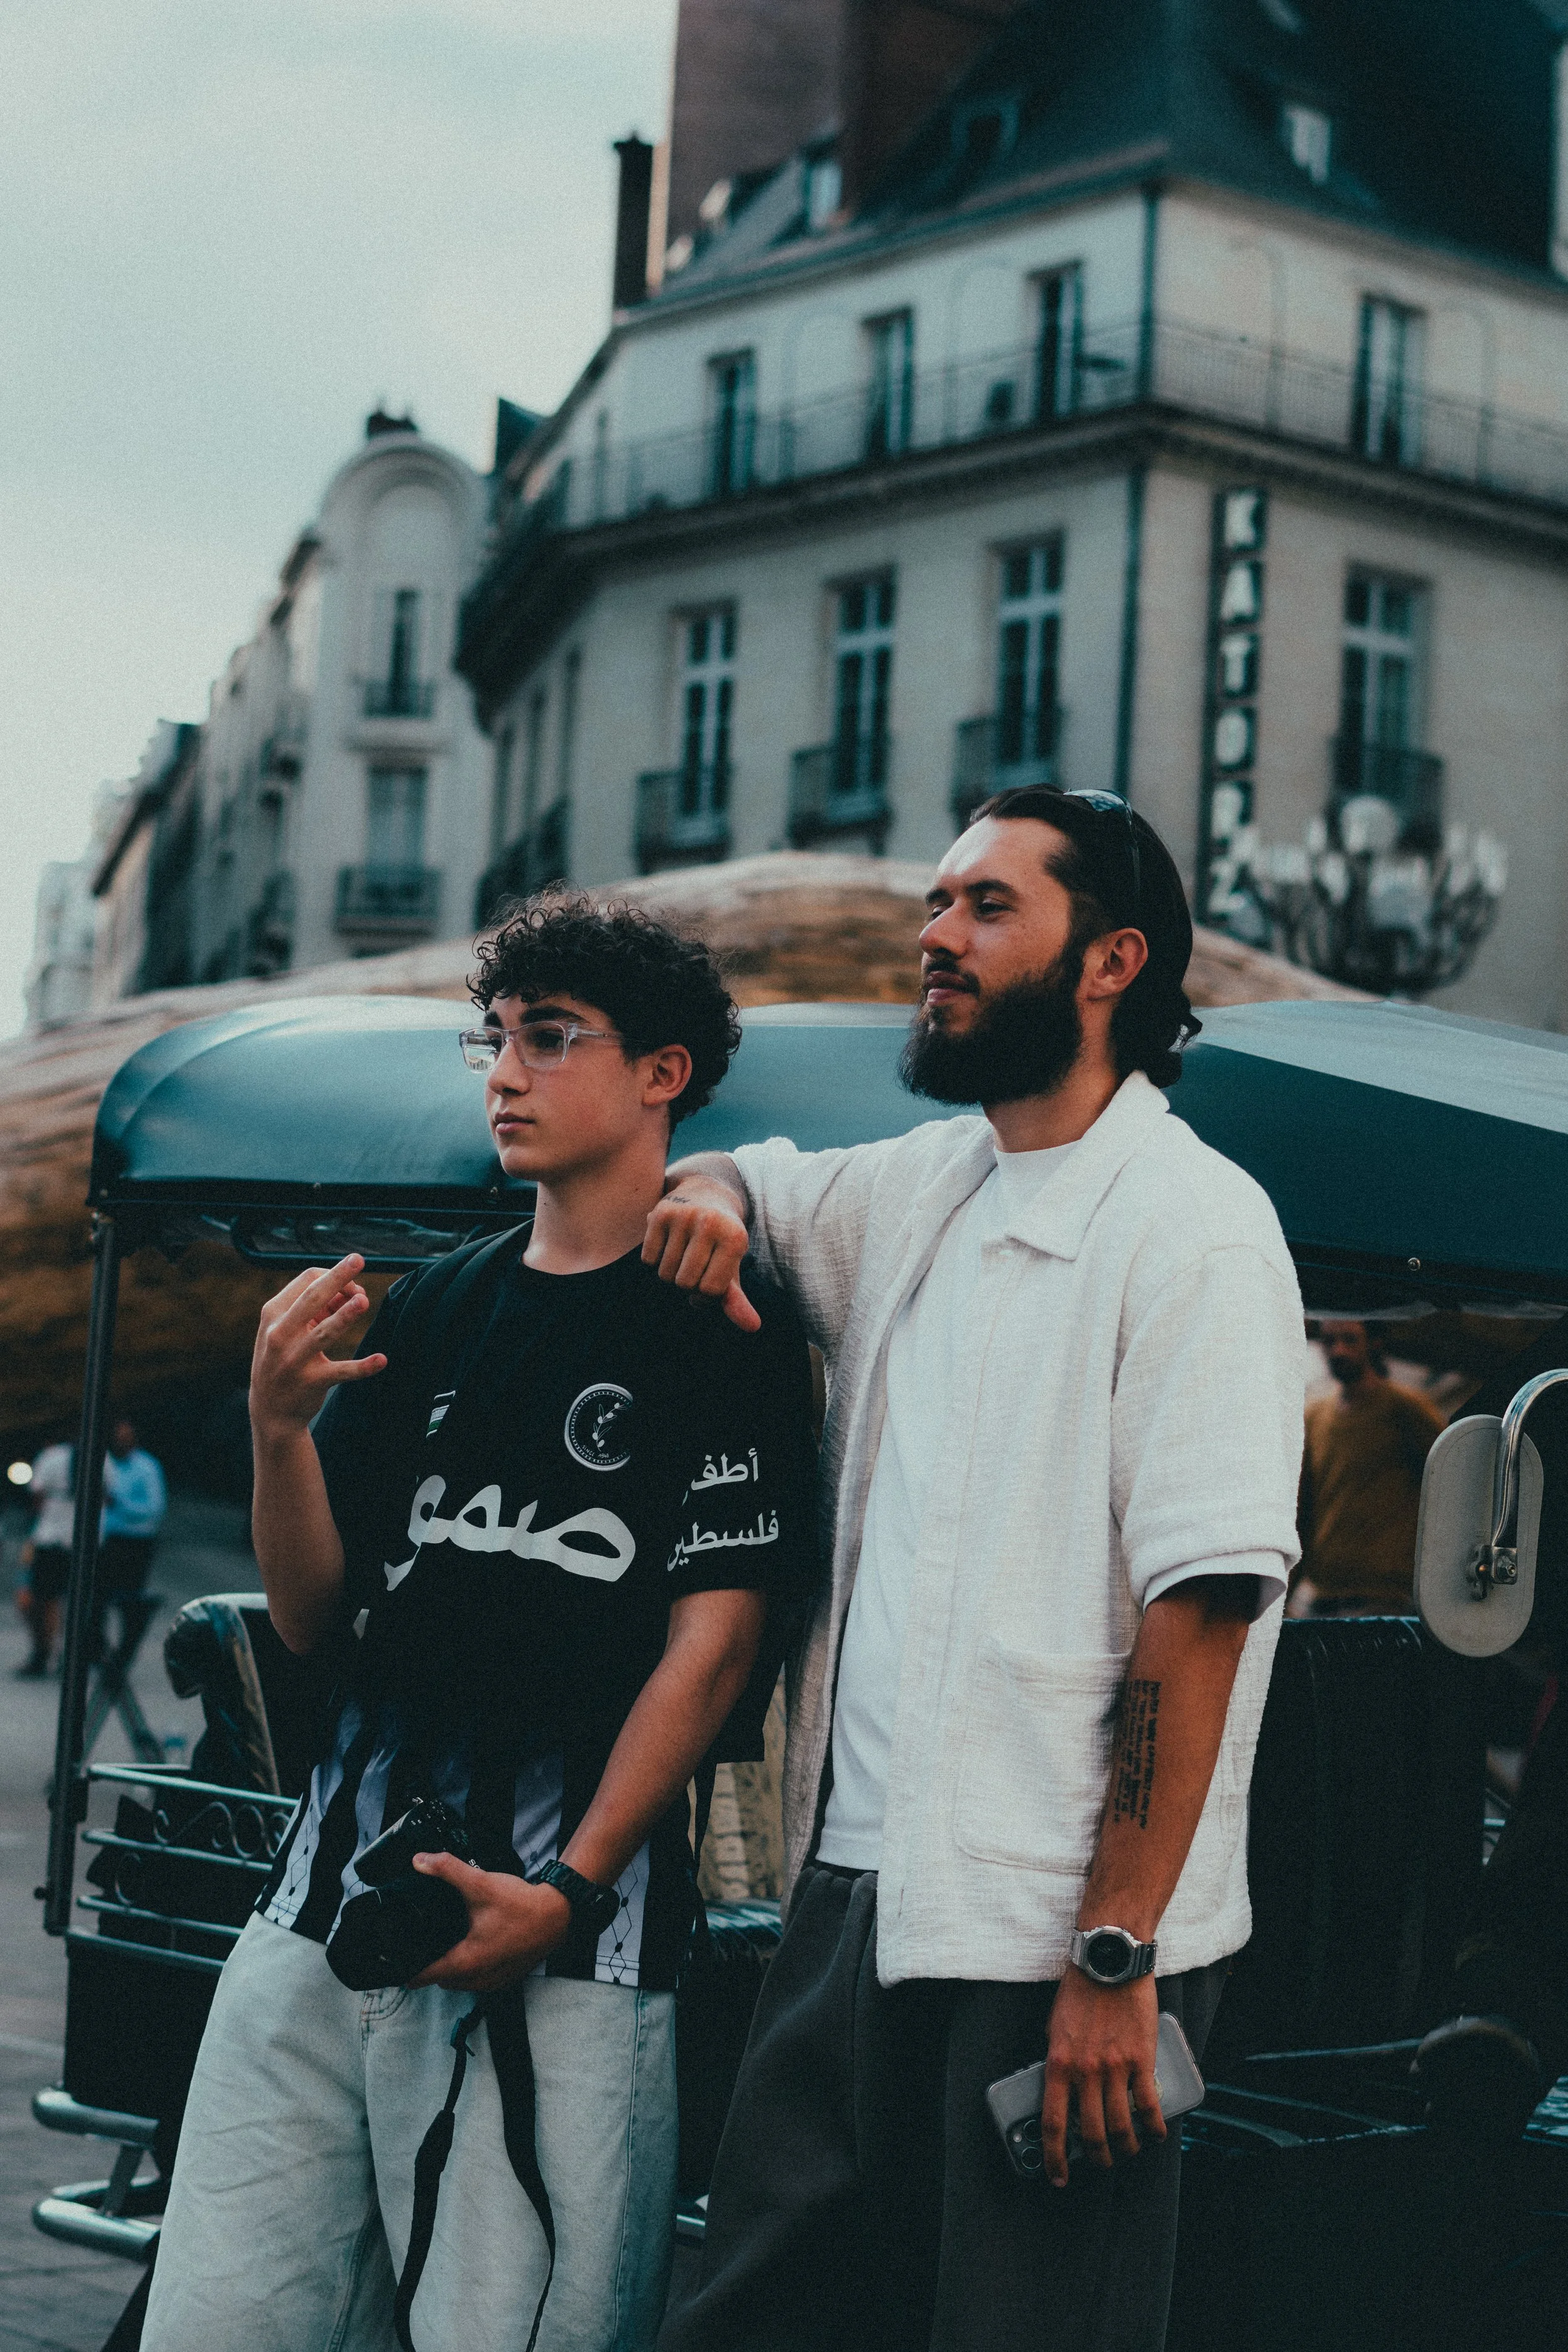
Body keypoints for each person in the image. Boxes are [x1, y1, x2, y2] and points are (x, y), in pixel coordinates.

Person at [645, 786, 1305, 2352]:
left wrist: (1112, 1958)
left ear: (1109, 959)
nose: (932, 938)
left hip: (1057, 1942)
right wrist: (711, 1202)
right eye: (935, 902)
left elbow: (1199, 1613)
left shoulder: (1198, 1228)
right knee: (752, 2307)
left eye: (986, 906)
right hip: (852, 1894)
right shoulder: (928, 1185)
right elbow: (757, 1175)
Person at [141, 899, 817, 2352]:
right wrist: (277, 1430)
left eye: (550, 1036)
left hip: (571, 1950)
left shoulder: (725, 1321)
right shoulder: (437, 1302)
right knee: (221, 2314)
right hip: (322, 1908)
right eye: (494, 1037)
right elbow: (317, 1615)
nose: (503, 1071)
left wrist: (567, 1890)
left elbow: (713, 1646)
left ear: (662, 1072)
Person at [1293, 1319, 1443, 1616]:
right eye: (1329, 1341)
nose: (1337, 1351)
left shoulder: (1405, 1407)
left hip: (1385, 1598)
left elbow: (1454, 1484)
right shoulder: (1315, 1416)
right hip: (1323, 1596)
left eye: (1349, 1340)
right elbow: (1303, 1509)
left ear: (1373, 1343)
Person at [94, 1417, 167, 1653]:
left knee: (129, 1599)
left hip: (135, 1543)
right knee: (97, 1597)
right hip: (106, 1541)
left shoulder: (147, 1468)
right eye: (117, 1437)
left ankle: (126, 1649)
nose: (120, 1442)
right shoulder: (105, 1464)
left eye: (126, 1437)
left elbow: (154, 1509)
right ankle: (98, 1649)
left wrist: (119, 1503)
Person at [16, 1432, 74, 1677]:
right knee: (67, 1601)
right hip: (77, 1539)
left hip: (51, 1538)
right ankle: (64, 1654)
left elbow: (37, 1496)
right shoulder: (103, 1459)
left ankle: (44, 1652)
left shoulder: (50, 1457)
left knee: (42, 1599)